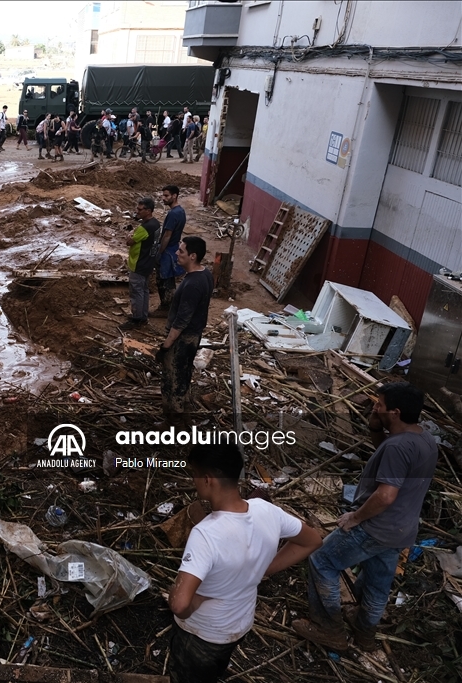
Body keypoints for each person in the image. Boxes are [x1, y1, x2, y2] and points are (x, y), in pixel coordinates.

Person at [292, 382, 438, 652]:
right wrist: (375, 427)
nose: (374, 406)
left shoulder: (398, 448)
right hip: (401, 530)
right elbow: (391, 458)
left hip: (375, 527)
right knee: (376, 580)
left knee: (322, 560)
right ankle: (365, 633)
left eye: (379, 404)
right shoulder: (423, 439)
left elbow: (385, 496)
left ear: (394, 412)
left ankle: (328, 629)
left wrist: (356, 517)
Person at [168, 444, 322, 683]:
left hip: (202, 634)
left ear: (208, 479)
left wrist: (194, 602)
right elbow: (311, 540)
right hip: (239, 626)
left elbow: (179, 604)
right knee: (215, 670)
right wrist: (263, 569)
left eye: (195, 474)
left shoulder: (206, 534)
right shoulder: (267, 511)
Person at [157, 236, 212, 418]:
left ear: (193, 256)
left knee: (173, 380)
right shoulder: (205, 274)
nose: (177, 253)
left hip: (182, 339)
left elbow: (181, 320)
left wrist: (166, 346)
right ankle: (185, 408)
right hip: (194, 335)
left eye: (181, 251)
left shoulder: (192, 284)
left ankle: (174, 422)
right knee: (184, 374)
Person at [120, 197, 159, 330]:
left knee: (136, 291)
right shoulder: (156, 224)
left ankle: (137, 318)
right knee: (144, 290)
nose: (137, 211)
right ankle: (143, 315)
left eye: (140, 209)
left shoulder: (144, 228)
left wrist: (130, 235)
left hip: (138, 263)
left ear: (148, 211)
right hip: (148, 262)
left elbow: (129, 241)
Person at [154, 185, 186, 315]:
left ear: (175, 196)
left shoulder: (173, 214)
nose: (163, 198)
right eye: (163, 195)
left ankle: (166, 308)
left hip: (168, 250)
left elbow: (167, 235)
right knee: (169, 279)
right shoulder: (181, 211)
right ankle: (169, 307)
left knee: (164, 280)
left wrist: (159, 252)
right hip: (173, 248)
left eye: (166, 196)